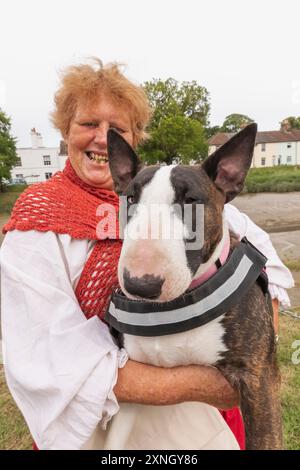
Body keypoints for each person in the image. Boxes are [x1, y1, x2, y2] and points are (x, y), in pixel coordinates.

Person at [0, 59, 294, 450]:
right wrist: (219, 384)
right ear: (65, 130)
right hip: (105, 428)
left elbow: (266, 274)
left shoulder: (179, 191)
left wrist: (255, 351)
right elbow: (46, 361)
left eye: (117, 129)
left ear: (132, 140)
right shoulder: (37, 220)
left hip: (210, 426)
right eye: (88, 123)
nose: (102, 138)